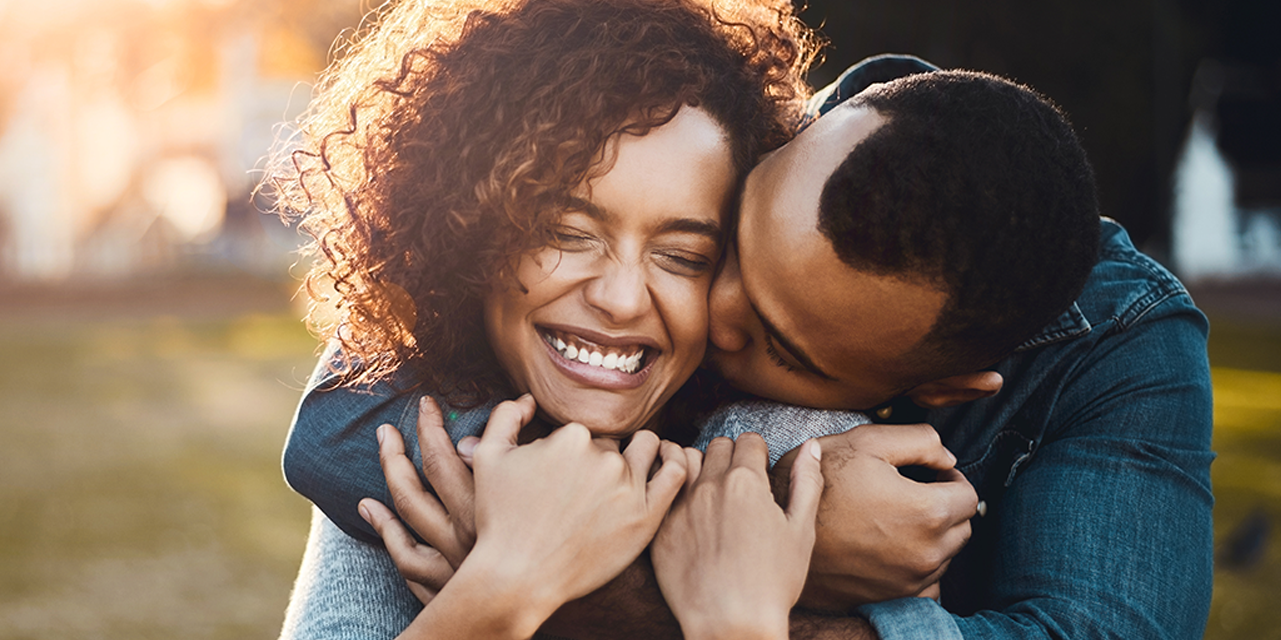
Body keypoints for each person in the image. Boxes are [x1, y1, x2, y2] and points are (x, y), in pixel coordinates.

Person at [284, 57, 1215, 640]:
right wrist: (783, 532)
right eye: (725, 246)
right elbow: (337, 428)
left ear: (943, 385)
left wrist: (684, 580)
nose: (709, 314)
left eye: (780, 341)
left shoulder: (1118, 344)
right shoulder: (732, 131)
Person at [265, 0, 841, 637]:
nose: (622, 299)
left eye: (683, 257)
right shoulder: (408, 458)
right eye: (566, 233)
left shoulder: (806, 449)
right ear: (467, 229)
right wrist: (506, 585)